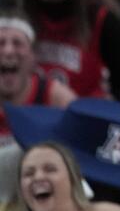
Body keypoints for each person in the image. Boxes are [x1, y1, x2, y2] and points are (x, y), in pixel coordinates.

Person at [0, 9, 75, 145]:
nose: (8, 51)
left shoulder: (56, 99)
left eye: (17, 43)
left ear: (33, 56)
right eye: (1, 43)